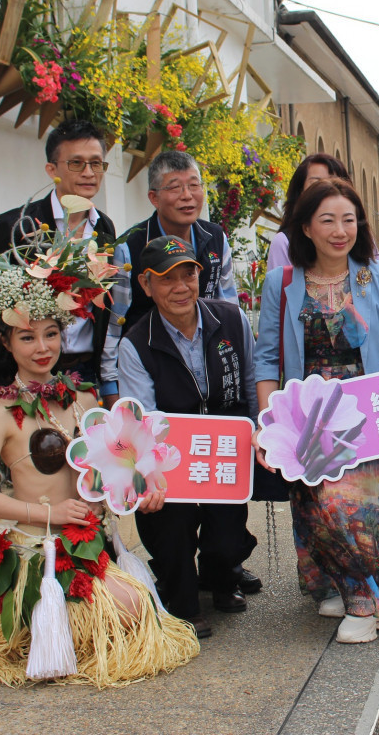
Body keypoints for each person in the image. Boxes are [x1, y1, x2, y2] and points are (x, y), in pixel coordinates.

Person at [0, 237, 198, 688]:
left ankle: (73, 626)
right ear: (7, 343)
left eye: (50, 334)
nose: (42, 347)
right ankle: (47, 627)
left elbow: (116, 462)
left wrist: (145, 485)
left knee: (139, 608)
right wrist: (47, 513)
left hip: (88, 542)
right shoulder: (1, 414)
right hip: (39, 550)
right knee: (128, 610)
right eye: (27, 337)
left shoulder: (82, 399)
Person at [253, 177, 379, 643]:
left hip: (367, 413)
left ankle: (367, 607)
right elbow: (267, 358)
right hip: (308, 416)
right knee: (317, 506)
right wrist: (270, 425)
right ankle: (346, 588)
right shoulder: (282, 282)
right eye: (327, 220)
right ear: (305, 227)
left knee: (360, 508)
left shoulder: (376, 275)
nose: (340, 230)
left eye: (348, 219)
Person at [116, 236, 258, 639]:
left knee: (227, 541)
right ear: (146, 285)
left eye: (188, 274)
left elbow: (249, 382)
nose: (181, 287)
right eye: (167, 279)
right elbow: (139, 419)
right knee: (171, 525)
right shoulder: (136, 344)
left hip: (226, 455)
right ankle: (181, 600)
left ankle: (220, 578)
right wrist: (148, 474)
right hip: (170, 462)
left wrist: (257, 429)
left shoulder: (231, 319)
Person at [0, 120, 118, 388]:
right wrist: (14, 350)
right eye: (76, 163)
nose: (89, 172)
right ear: (51, 169)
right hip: (22, 374)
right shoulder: (17, 225)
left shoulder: (104, 226)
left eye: (96, 163)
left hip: (86, 371)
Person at [100, 151, 238, 405]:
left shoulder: (216, 237)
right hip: (152, 363)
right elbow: (114, 320)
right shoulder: (130, 247)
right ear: (154, 197)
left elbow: (229, 306)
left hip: (208, 361)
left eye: (194, 185)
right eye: (175, 187)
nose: (187, 196)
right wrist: (110, 385)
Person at [266, 153, 350, 268]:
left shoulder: (358, 237)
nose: (325, 191)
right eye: (316, 183)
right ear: (300, 192)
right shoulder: (284, 243)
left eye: (334, 183)